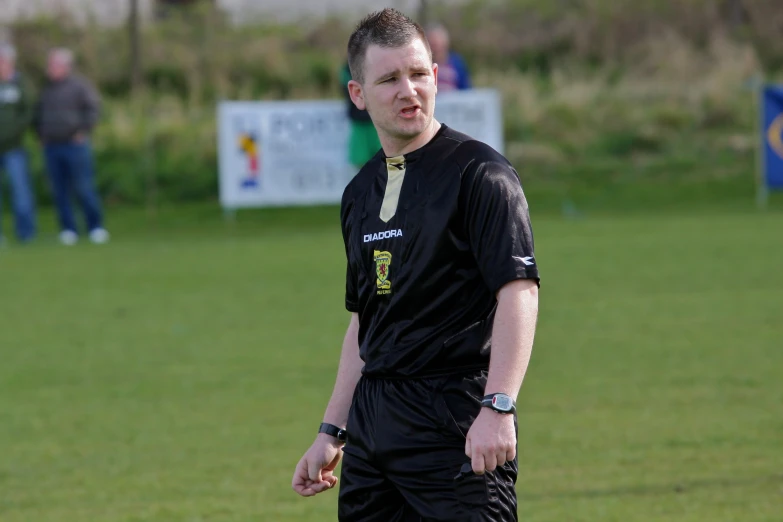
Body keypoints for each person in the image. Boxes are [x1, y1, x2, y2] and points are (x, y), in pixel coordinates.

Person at [292, 8, 540, 521]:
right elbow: (365, 322)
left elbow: (519, 291)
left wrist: (498, 406)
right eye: (389, 79)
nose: (409, 90)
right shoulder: (359, 193)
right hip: (373, 430)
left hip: (454, 419)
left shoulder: (481, 174)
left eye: (419, 73)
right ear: (358, 95)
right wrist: (331, 431)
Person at [34, 47, 108, 246]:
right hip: (52, 146)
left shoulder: (80, 86)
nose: (50, 68)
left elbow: (93, 109)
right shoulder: (46, 89)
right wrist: (41, 135)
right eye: (50, 65)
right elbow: (38, 115)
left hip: (74, 145)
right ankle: (68, 229)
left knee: (83, 187)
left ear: (65, 66)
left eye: (54, 65)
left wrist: (83, 131)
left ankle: (95, 227)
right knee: (59, 190)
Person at [0, 42, 37, 245]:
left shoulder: (20, 84)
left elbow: (27, 114)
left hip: (14, 148)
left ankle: (26, 234)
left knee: (21, 193)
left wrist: (13, 134)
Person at [340, 60, 382, 168]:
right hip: (360, 123)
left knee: (385, 161)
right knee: (361, 162)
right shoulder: (347, 69)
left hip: (377, 122)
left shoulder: (379, 64)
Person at [426, 22, 471, 92]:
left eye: (438, 44)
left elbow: (466, 89)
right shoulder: (424, 65)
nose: (436, 49)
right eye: (432, 45)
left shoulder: (457, 63)